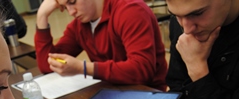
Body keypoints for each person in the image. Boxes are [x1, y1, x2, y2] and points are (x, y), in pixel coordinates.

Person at [34, 0, 168, 91]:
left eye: (72, 2)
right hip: (112, 93)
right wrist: (42, 16)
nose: (71, 12)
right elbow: (48, 65)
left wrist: (84, 68)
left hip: (146, 94)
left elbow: (141, 70)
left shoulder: (130, 10)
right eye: (64, 7)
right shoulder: (80, 25)